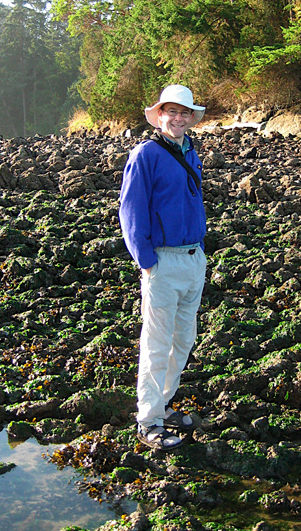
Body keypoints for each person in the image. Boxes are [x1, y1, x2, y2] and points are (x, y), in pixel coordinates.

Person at [119, 84, 207, 450]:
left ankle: (163, 403)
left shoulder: (191, 151)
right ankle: (149, 420)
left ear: (191, 118)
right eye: (171, 111)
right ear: (159, 116)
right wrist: (147, 262)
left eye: (184, 112)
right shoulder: (145, 155)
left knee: (183, 339)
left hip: (193, 258)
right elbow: (130, 211)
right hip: (163, 262)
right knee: (156, 345)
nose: (178, 118)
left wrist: (200, 250)